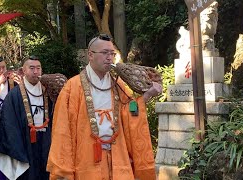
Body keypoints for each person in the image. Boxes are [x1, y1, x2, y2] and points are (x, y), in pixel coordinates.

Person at [47, 34, 162, 180]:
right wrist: (63, 171)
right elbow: (62, 130)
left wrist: (145, 97)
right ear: (90, 55)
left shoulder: (118, 84)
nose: (110, 57)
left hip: (117, 157)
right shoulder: (72, 87)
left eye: (112, 53)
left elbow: (129, 112)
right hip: (86, 159)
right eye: (105, 53)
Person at [0, 56, 54, 179]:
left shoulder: (49, 91)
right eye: (32, 68)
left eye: (38, 68)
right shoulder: (14, 94)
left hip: (46, 141)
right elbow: (8, 122)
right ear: (23, 71)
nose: (35, 72)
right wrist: (17, 146)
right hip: (24, 142)